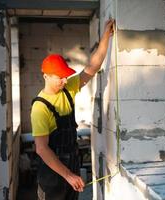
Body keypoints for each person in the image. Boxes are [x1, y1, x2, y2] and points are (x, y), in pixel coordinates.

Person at [30, 19, 115, 200]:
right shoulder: (40, 107)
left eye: (65, 76)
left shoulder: (68, 89)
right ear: (46, 76)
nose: (64, 81)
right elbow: (42, 149)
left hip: (72, 166)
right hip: (53, 177)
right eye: (59, 77)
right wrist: (68, 175)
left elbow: (93, 66)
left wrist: (106, 36)